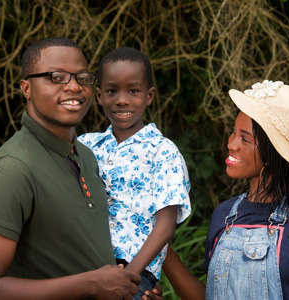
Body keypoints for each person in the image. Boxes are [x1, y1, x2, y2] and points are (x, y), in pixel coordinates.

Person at [0, 38, 143, 300]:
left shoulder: (85, 156)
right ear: (26, 88)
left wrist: (125, 287)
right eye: (56, 77)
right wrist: (92, 284)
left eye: (82, 77)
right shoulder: (14, 169)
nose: (73, 86)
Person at [160, 80, 289, 300]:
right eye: (234, 132)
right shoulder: (225, 215)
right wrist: (161, 246)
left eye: (245, 138)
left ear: (273, 152)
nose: (231, 144)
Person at [78, 47, 191, 299]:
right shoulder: (86, 146)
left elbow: (165, 225)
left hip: (135, 274)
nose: (121, 99)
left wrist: (128, 275)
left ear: (149, 96)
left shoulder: (162, 151)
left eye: (133, 91)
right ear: (98, 96)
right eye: (111, 91)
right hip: (87, 269)